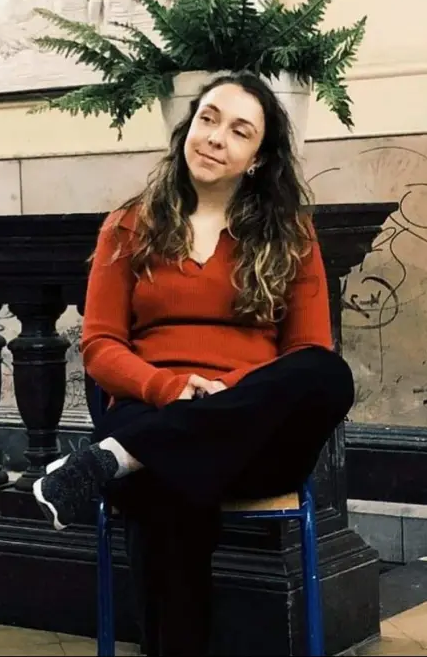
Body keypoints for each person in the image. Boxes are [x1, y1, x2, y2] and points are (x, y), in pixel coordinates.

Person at [33, 71, 355, 655]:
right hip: (151, 407)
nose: (215, 137)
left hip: (255, 435)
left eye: (239, 131)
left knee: (327, 374)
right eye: (208, 118)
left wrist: (226, 394)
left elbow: (307, 352)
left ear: (259, 158)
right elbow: (100, 346)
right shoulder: (129, 225)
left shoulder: (291, 234)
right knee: (172, 483)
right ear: (188, 127)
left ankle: (113, 459)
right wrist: (170, 387)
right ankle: (141, 453)